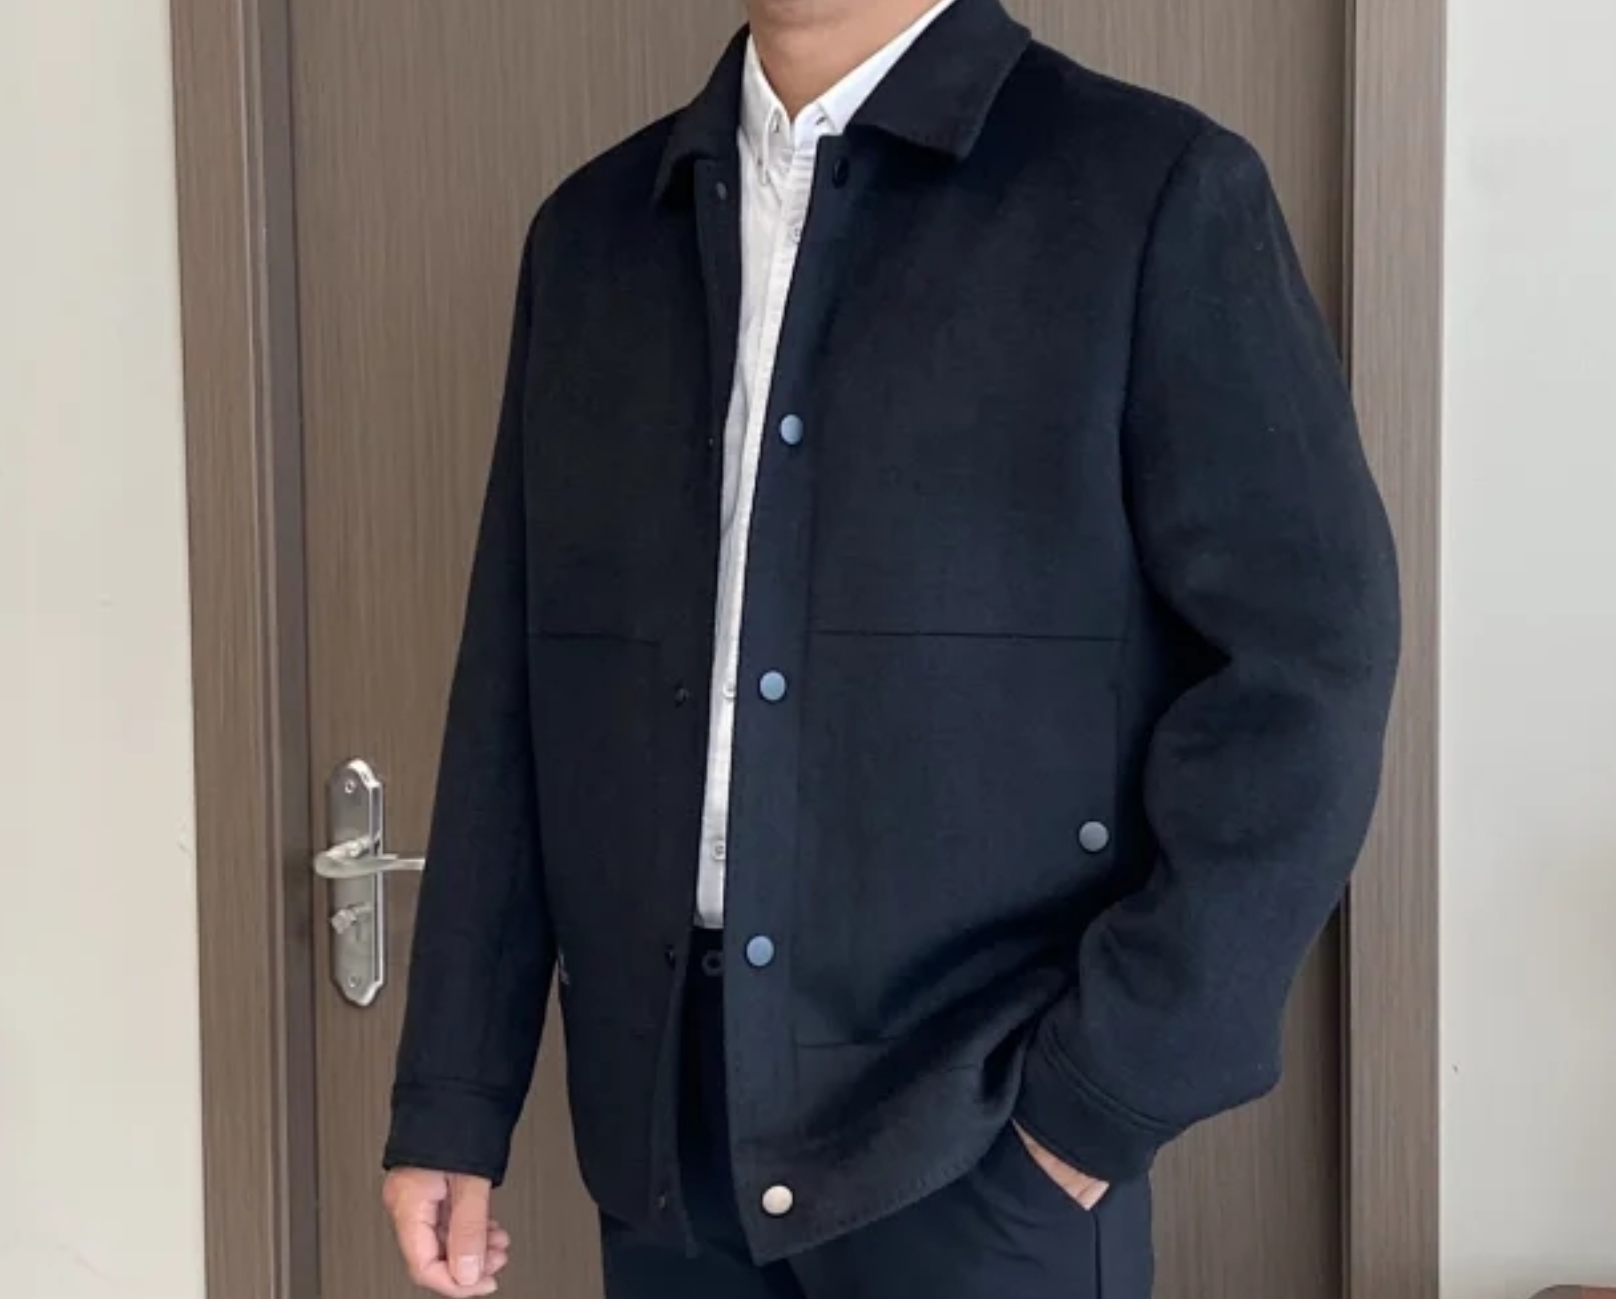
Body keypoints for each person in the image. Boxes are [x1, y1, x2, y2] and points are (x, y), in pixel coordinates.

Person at [379, 0, 1401, 1294]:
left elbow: (1307, 670)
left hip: (976, 1127)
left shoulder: (1148, 191)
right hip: (664, 1132)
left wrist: (1100, 1095)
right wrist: (454, 1093)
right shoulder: (595, 234)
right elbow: (519, 686)